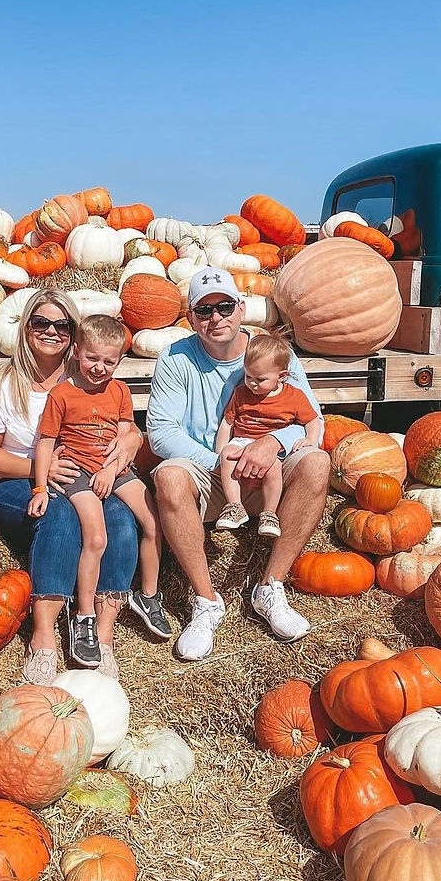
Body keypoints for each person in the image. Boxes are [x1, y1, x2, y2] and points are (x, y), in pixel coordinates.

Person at [147, 266, 330, 662]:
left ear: (241, 309)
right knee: (169, 476)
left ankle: (270, 587)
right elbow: (160, 432)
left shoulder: (274, 353)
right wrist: (222, 461)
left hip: (271, 473)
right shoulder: (176, 359)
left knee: (316, 462)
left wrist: (271, 443)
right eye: (204, 310)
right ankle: (206, 601)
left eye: (224, 306)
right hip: (214, 473)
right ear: (191, 318)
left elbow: (312, 416)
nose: (216, 318)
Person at [0, 289, 142, 684]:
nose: (51, 331)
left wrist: (132, 440)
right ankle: (44, 634)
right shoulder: (2, 383)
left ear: (75, 337)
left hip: (83, 476)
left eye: (62, 325)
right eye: (40, 322)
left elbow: (125, 425)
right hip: (12, 480)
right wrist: (37, 471)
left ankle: (101, 629)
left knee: (120, 516)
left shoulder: (87, 375)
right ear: (26, 327)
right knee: (61, 515)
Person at [29, 314, 163, 669]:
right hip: (78, 474)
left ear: (119, 361)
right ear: (76, 351)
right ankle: (85, 614)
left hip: (110, 470)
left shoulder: (118, 391)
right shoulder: (61, 395)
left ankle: (147, 596)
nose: (99, 367)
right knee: (97, 537)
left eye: (109, 361)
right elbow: (45, 443)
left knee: (153, 522)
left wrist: (112, 469)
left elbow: (126, 436)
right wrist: (41, 487)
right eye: (92, 358)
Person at [214, 332, 323, 537]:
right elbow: (227, 423)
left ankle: (269, 513)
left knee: (272, 468)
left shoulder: (293, 396)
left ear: (281, 376)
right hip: (242, 440)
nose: (252, 383)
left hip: (271, 447)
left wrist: (310, 440)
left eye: (260, 379)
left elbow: (312, 420)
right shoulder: (241, 393)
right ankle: (234, 507)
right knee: (229, 455)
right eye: (248, 377)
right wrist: (219, 452)